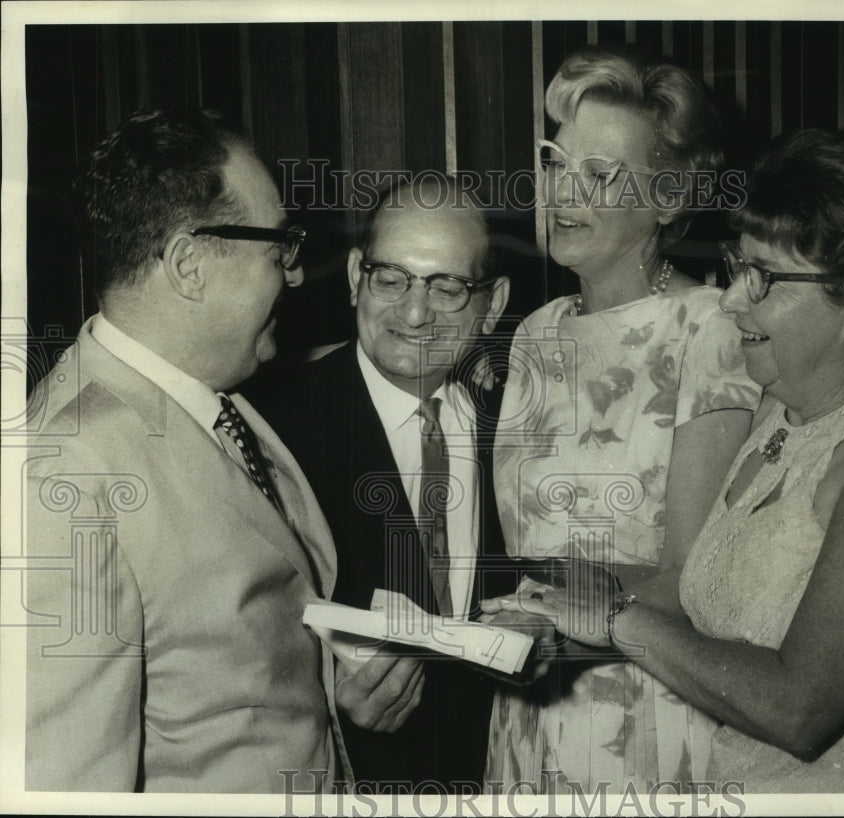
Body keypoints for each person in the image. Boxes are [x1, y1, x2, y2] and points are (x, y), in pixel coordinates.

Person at [483, 129, 844, 792]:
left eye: (763, 278)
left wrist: (613, 620)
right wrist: (547, 623)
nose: (730, 297)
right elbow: (693, 591)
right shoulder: (782, 414)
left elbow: (799, 706)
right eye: (735, 265)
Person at [22, 108, 368, 792]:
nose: (294, 277)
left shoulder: (219, 397)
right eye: (280, 249)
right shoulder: (65, 474)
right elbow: (68, 786)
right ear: (188, 264)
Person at [484, 47, 761, 793]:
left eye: (602, 174)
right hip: (527, 705)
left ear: (669, 198)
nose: (562, 190)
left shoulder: (710, 329)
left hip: (645, 715)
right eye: (555, 160)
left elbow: (694, 582)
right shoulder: (535, 333)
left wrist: (552, 624)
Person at [257, 177, 513, 791]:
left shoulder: (518, 427)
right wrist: (326, 692)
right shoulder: (270, 431)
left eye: (448, 287)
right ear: (354, 277)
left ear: (493, 303)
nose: (416, 312)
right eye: (391, 278)